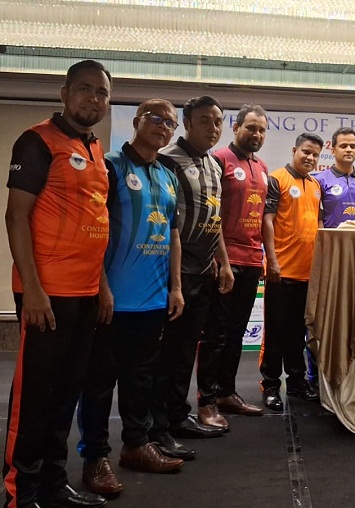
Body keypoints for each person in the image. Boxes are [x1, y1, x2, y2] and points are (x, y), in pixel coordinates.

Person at [3, 59, 111, 508]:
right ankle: (20, 492)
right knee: (35, 397)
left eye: (101, 92)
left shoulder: (95, 148)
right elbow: (16, 217)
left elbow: (95, 221)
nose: (93, 98)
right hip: (46, 293)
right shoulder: (37, 141)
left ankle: (52, 483)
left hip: (86, 293)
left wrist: (102, 286)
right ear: (64, 93)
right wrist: (33, 289)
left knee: (66, 393)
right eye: (84, 89)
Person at [77, 100, 186, 498]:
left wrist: (175, 287)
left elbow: (173, 235)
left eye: (170, 122)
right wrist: (101, 286)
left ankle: (136, 446)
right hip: (112, 301)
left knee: (141, 381)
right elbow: (92, 230)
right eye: (156, 119)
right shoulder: (110, 166)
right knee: (99, 384)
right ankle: (95, 458)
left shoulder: (168, 175)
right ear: (137, 121)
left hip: (154, 301)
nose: (163, 126)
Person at [151, 96, 234, 452]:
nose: (212, 128)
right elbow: (163, 221)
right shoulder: (167, 158)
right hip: (174, 274)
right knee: (166, 354)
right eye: (204, 120)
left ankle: (177, 416)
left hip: (203, 271)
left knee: (186, 351)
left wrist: (223, 262)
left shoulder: (214, 164)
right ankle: (155, 428)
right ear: (186, 123)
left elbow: (215, 219)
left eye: (217, 121)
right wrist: (175, 279)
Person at [195, 104, 270, 430]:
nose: (256, 134)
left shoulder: (262, 167)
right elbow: (212, 217)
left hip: (252, 261)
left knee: (237, 332)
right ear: (236, 127)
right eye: (251, 127)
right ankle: (206, 401)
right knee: (216, 334)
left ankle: (227, 393)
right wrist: (222, 261)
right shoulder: (219, 160)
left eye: (262, 130)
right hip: (225, 263)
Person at [259, 133, 323, 411]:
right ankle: (271, 384)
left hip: (308, 274)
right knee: (276, 333)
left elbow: (317, 226)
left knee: (298, 333)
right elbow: (267, 221)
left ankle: (296, 382)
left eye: (315, 154)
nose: (310, 157)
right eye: (306, 151)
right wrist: (271, 261)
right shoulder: (277, 179)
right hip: (281, 272)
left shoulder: (315, 185)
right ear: (295, 150)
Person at [315, 127, 355, 228]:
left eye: (352, 146)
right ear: (333, 151)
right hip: (332, 237)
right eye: (343, 146)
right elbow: (316, 216)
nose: (349, 150)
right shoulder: (320, 180)